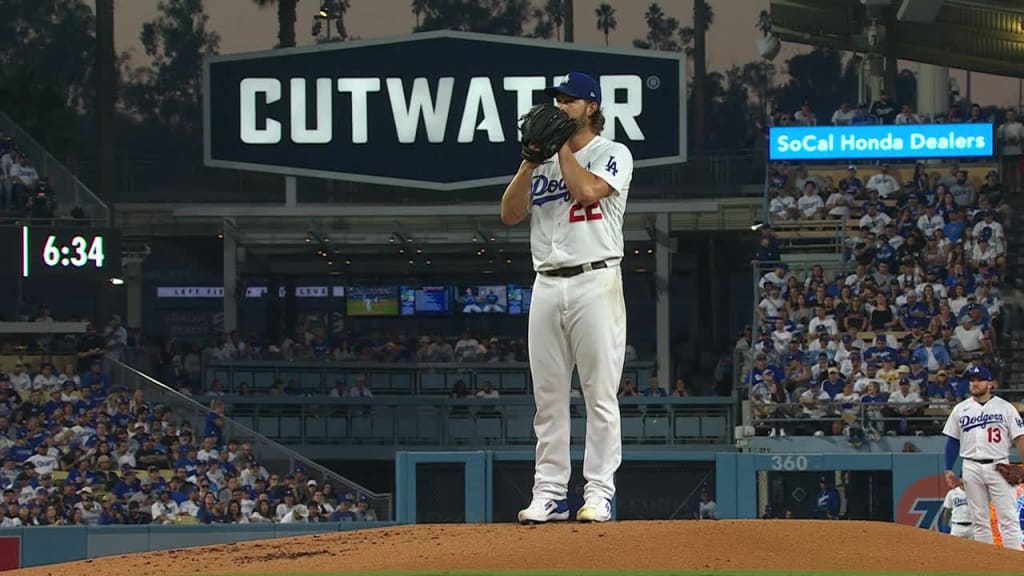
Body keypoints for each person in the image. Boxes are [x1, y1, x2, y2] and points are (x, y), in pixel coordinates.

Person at [501, 71, 634, 524]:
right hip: (546, 282)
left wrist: (558, 149)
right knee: (549, 397)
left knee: (599, 395)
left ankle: (598, 493)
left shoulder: (612, 153)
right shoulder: (542, 162)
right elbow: (509, 213)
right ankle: (550, 493)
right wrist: (528, 161)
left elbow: (586, 191)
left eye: (570, 100)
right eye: (557, 99)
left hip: (596, 280)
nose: (560, 106)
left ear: (591, 107)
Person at [943, 365, 1024, 548]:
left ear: (990, 384)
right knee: (979, 521)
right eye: (971, 380)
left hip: (999, 466)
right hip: (970, 466)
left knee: (1008, 518)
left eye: (979, 379)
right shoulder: (961, 409)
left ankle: (1015, 565)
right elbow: (953, 441)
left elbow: (1020, 438)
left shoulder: (1005, 408)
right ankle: (987, 567)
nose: (975, 383)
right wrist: (948, 468)